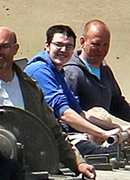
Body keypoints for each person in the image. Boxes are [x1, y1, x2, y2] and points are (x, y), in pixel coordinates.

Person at [0, 26, 97, 180]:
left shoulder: (30, 87)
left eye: (4, 47)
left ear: (15, 49)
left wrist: (78, 163)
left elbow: (52, 130)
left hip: (27, 168)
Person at [25, 23, 118, 155]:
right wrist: (103, 133)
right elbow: (64, 113)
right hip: (41, 139)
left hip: (58, 134)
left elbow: (80, 113)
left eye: (68, 46)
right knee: (102, 154)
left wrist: (117, 127)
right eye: (58, 45)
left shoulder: (58, 72)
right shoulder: (40, 70)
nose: (63, 50)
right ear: (47, 46)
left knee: (114, 151)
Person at [62, 20, 130, 140]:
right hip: (80, 143)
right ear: (83, 42)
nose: (101, 50)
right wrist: (116, 128)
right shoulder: (72, 73)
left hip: (104, 139)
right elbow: (71, 115)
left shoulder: (104, 69)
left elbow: (117, 104)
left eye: (105, 45)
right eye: (96, 44)